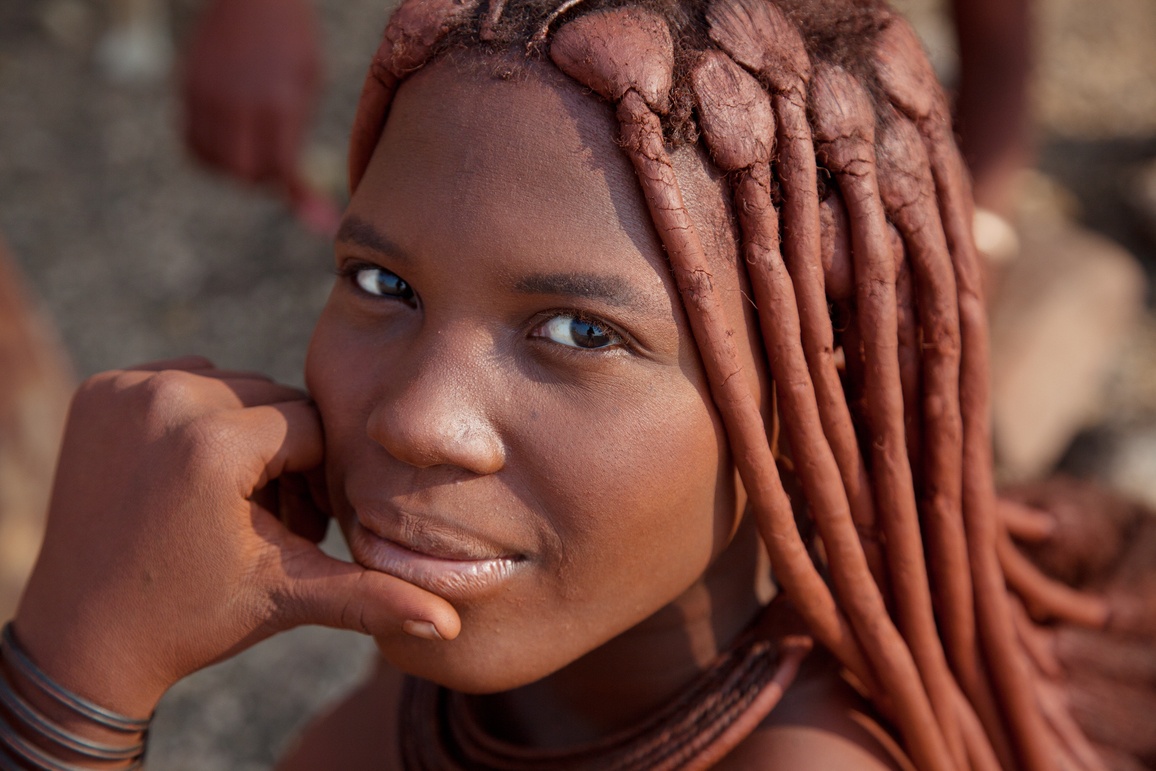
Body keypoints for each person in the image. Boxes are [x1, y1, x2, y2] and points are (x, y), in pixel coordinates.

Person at [3, 0, 1153, 768]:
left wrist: (68, 684)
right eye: (381, 281)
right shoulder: (494, 701)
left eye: (576, 330)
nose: (415, 420)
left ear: (826, 391)